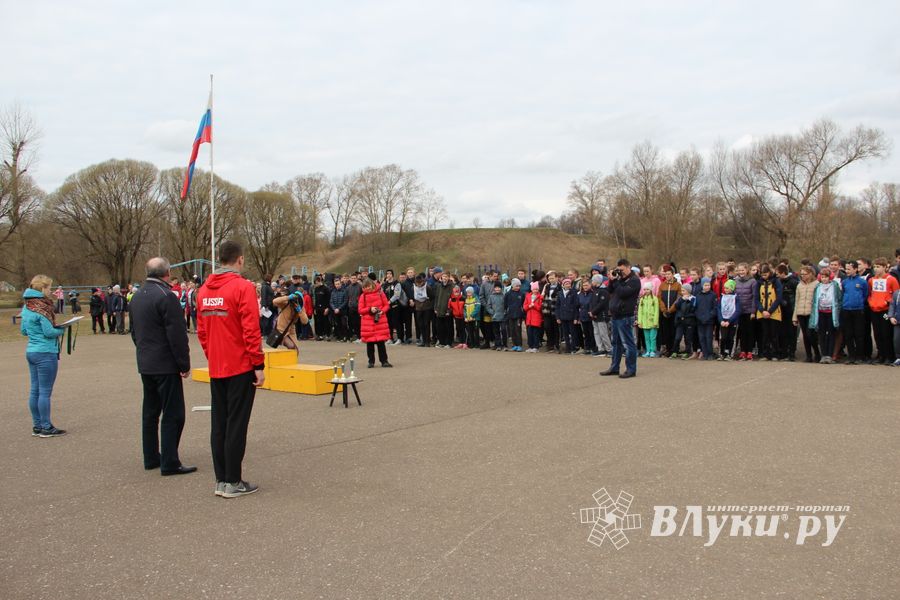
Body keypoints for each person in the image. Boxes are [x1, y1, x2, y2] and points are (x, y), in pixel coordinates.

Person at [197, 240, 265, 499]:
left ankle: (221, 478)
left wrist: (213, 355)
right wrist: (257, 363)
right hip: (239, 365)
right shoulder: (242, 287)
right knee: (236, 423)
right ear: (240, 260)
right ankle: (233, 480)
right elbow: (250, 328)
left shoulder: (204, 290)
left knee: (220, 423)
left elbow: (202, 332)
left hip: (218, 365)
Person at [129, 257, 195, 476]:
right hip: (164, 364)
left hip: (146, 362)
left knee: (150, 411)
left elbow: (135, 333)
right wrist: (183, 363)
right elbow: (176, 335)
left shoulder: (137, 296)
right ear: (167, 273)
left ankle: (151, 456)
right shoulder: (167, 297)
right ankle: (170, 461)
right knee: (174, 413)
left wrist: (144, 351)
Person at [21, 275, 67, 437]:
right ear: (42, 289)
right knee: (45, 392)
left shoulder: (27, 306)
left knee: (35, 390)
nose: (51, 291)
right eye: (49, 288)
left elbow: (24, 330)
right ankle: (46, 426)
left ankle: (37, 425)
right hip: (45, 352)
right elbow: (49, 332)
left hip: (32, 351)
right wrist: (62, 329)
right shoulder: (42, 308)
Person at [600, 259, 641, 378]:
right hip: (616, 315)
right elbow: (610, 291)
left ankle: (631, 369)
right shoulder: (620, 279)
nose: (621, 273)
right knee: (616, 343)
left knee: (628, 344)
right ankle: (614, 367)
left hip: (625, 316)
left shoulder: (634, 281)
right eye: (619, 270)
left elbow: (623, 293)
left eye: (622, 270)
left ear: (629, 267)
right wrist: (612, 280)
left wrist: (617, 282)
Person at [867, 257, 899, 365]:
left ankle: (889, 356)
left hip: (885, 311)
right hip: (874, 310)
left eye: (878, 267)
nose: (876, 269)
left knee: (886, 333)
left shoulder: (891, 279)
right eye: (875, 267)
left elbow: (896, 295)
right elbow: (871, 293)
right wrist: (871, 302)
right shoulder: (872, 280)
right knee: (877, 333)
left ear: (885, 267)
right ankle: (881, 355)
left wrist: (888, 301)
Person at [809, 267, 842, 364]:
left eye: (826, 277)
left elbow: (839, 299)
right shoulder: (818, 287)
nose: (824, 279)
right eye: (822, 277)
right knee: (821, 333)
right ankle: (823, 354)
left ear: (830, 277)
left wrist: (837, 310)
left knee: (831, 333)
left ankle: (830, 355)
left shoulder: (835, 286)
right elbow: (815, 300)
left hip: (831, 313)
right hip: (821, 313)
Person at [358, 278, 393, 367]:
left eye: (369, 286)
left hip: (380, 320)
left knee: (381, 344)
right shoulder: (363, 296)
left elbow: (386, 305)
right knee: (370, 345)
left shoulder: (380, 293)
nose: (368, 288)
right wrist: (370, 309)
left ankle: (384, 361)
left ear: (372, 284)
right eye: (365, 287)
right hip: (368, 323)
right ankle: (371, 362)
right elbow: (360, 310)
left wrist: (382, 311)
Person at [839, 261, 869, 364]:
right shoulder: (845, 282)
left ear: (855, 269)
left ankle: (859, 356)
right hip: (846, 310)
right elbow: (843, 293)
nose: (847, 271)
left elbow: (865, 294)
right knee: (848, 334)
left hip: (858, 310)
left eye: (849, 269)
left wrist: (859, 302)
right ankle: (851, 356)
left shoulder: (862, 282)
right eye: (846, 269)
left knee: (859, 334)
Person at [792, 266, 820, 363]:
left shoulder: (817, 284)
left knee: (811, 334)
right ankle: (808, 355)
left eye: (805, 274)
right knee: (805, 335)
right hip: (800, 312)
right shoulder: (799, 285)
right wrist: (794, 317)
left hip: (811, 313)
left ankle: (817, 353)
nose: (803, 276)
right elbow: (797, 301)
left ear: (811, 274)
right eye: (801, 274)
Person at [717, 279, 740, 360]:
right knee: (723, 338)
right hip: (723, 320)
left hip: (732, 321)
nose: (726, 290)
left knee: (731, 338)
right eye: (725, 288)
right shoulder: (722, 297)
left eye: (728, 288)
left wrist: (729, 321)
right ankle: (722, 353)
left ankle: (730, 354)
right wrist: (721, 320)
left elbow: (737, 311)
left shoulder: (736, 298)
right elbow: (719, 309)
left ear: (732, 288)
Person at [637, 281, 660, 358]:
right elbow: (640, 311)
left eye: (648, 289)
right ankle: (648, 350)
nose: (646, 291)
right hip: (644, 322)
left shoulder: (655, 299)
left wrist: (655, 321)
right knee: (646, 338)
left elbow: (656, 311)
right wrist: (640, 321)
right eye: (645, 289)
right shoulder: (642, 299)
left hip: (652, 321)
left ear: (651, 290)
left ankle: (653, 350)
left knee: (652, 337)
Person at [523, 281, 543, 352]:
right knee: (529, 333)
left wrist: (534, 305)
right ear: (531, 289)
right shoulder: (528, 296)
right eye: (534, 289)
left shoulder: (540, 297)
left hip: (536, 318)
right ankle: (530, 346)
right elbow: (524, 307)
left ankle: (536, 347)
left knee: (536, 333)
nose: (535, 291)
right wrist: (529, 306)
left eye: (537, 289)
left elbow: (540, 308)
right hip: (529, 319)